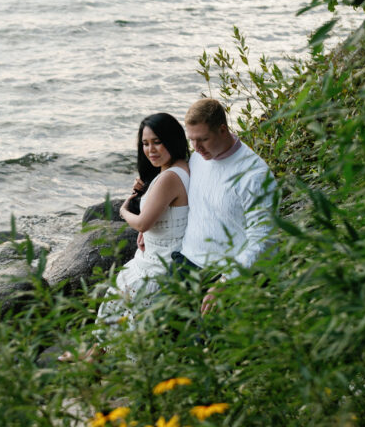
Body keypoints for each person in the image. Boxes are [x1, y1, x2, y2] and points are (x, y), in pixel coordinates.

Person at [173, 98, 276, 314]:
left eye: (203, 139)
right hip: (185, 261)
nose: (196, 147)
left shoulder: (254, 175)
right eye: (191, 140)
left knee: (207, 343)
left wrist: (226, 282)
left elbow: (264, 238)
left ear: (223, 130)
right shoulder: (198, 157)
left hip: (225, 275)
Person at [96, 112, 190, 332]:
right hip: (161, 251)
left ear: (172, 139)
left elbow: (142, 223)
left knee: (124, 290)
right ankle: (95, 352)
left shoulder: (169, 177)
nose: (150, 150)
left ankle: (97, 353)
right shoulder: (181, 166)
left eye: (157, 142)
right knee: (119, 289)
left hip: (163, 260)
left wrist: (123, 211)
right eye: (145, 144)